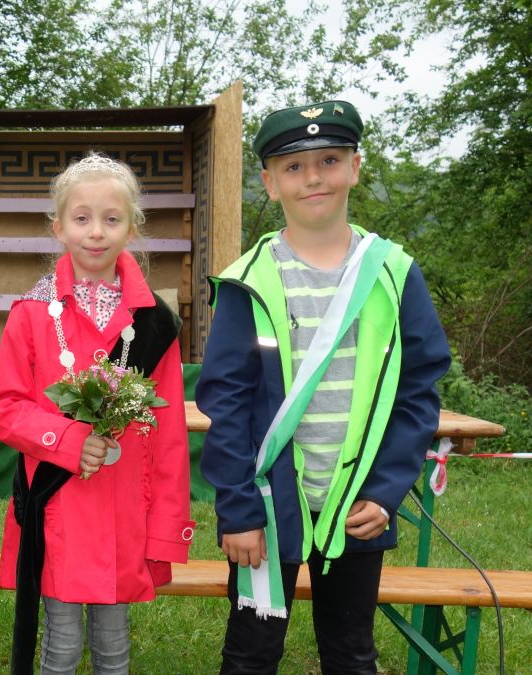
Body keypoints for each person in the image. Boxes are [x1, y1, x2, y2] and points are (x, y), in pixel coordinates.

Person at [198, 100, 452, 674]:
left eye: (329, 160)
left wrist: (386, 490)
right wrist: (238, 511)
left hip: (359, 507)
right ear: (269, 182)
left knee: (351, 652)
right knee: (251, 653)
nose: (313, 177)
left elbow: (418, 391)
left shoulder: (392, 272)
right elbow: (227, 402)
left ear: (355, 168)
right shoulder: (247, 281)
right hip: (268, 506)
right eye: (293, 166)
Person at [0, 151, 195, 674]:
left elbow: (167, 432)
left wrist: (166, 527)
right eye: (81, 218)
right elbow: (7, 409)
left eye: (111, 218)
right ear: (58, 226)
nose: (95, 232)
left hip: (128, 508)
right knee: (58, 647)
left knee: (114, 648)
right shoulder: (32, 314)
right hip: (56, 504)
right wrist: (69, 440)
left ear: (132, 226)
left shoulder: (155, 324)